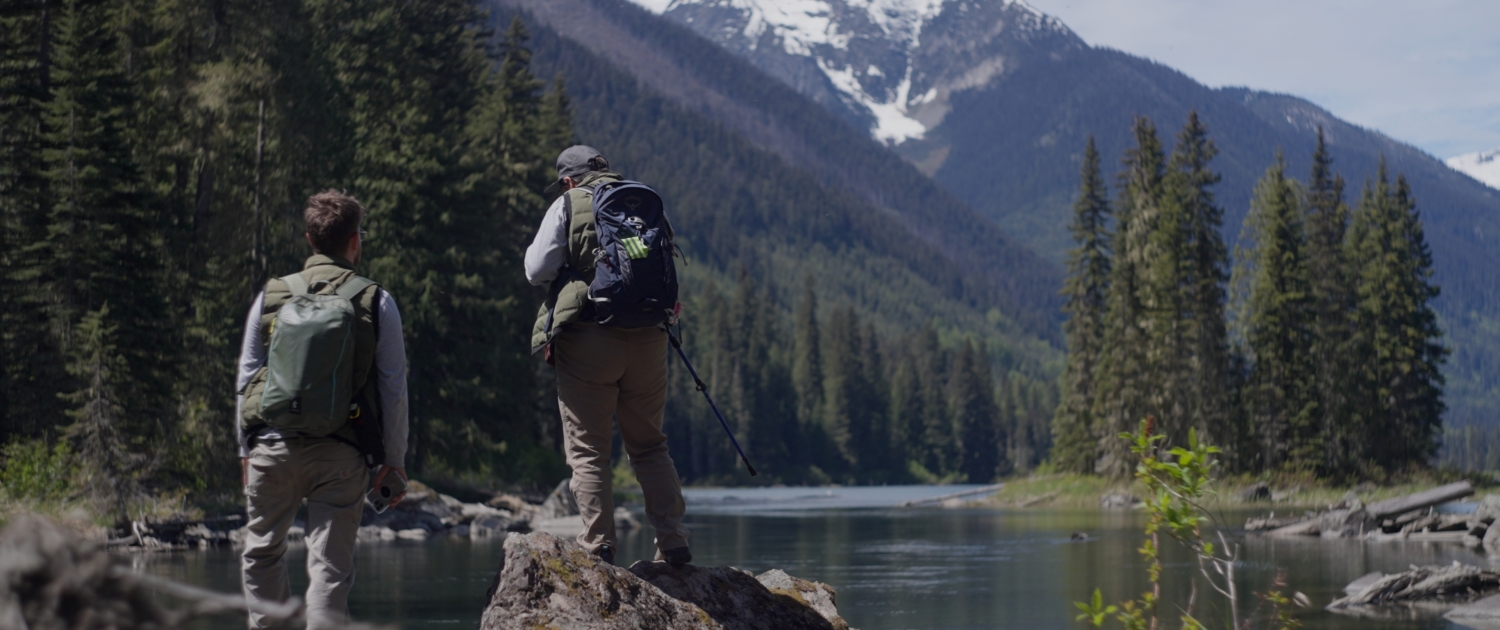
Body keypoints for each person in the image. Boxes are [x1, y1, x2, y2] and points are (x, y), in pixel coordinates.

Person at [235, 190, 410, 629]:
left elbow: (247, 378)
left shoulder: (271, 296)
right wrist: (393, 460)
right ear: (355, 241)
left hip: (271, 447)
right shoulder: (376, 301)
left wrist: (245, 448)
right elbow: (393, 388)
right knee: (329, 571)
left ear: (310, 239)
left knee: (262, 554)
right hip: (341, 453)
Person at [525, 145, 691, 566]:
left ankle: (598, 544)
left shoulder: (568, 203)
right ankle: (672, 541)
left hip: (590, 338)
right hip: (650, 338)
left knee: (588, 449)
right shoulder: (643, 200)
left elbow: (536, 269)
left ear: (568, 179)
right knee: (651, 445)